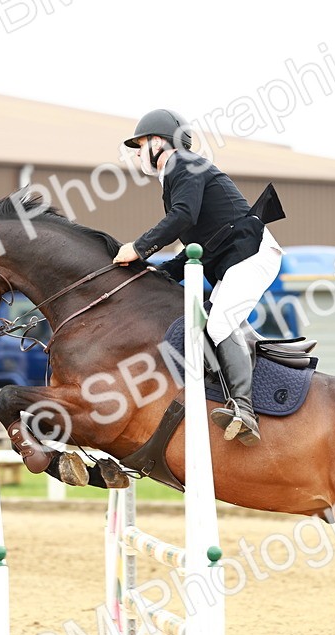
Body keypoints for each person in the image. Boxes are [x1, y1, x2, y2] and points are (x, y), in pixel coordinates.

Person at [114, 108, 285, 446]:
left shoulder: (183, 164)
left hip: (252, 255)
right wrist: (161, 272)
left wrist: (140, 247)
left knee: (219, 325)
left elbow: (183, 217)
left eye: (142, 142)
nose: (138, 152)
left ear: (160, 142)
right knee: (206, 323)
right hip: (234, 257)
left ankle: (245, 411)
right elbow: (196, 243)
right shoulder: (178, 174)